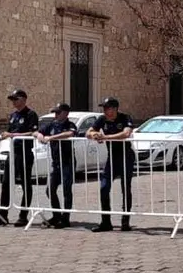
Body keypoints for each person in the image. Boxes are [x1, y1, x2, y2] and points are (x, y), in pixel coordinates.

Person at [87, 96, 136, 232]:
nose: (104, 110)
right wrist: (95, 135)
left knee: (125, 188)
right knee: (104, 187)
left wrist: (106, 137)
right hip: (112, 157)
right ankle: (106, 222)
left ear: (114, 109)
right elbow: (88, 132)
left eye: (107, 108)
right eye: (103, 108)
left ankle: (125, 221)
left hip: (126, 156)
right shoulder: (102, 119)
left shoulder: (125, 117)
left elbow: (126, 133)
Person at [0, 89, 38, 227]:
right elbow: (9, 131)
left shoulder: (31, 114)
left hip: (24, 152)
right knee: (6, 183)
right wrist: (5, 134)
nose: (13, 102)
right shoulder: (13, 115)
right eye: (12, 100)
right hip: (12, 152)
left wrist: (13, 135)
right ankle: (3, 215)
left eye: (16, 99)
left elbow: (33, 132)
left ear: (23, 99)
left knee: (25, 184)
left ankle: (23, 215)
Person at [36, 103, 77, 229]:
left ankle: (66, 218)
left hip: (67, 161)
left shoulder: (69, 125)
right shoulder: (52, 124)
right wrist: (41, 136)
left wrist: (52, 137)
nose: (56, 115)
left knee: (66, 190)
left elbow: (70, 134)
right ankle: (57, 215)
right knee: (50, 190)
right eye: (55, 113)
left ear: (65, 113)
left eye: (58, 112)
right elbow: (37, 132)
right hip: (56, 162)